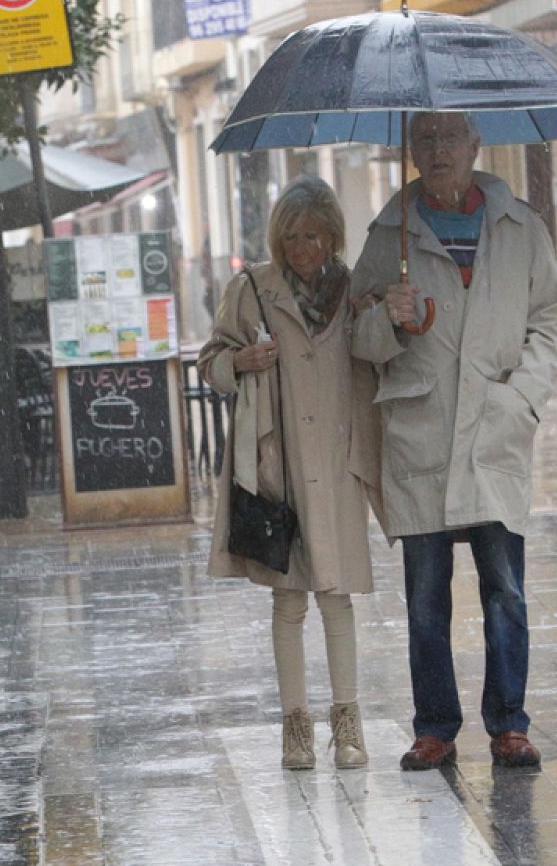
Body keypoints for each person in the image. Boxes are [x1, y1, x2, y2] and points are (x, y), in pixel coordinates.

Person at [351, 112, 557, 771]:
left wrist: (523, 395)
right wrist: (388, 321)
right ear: (410, 149)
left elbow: (552, 319)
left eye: (451, 137)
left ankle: (509, 723)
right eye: (425, 138)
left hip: (495, 426)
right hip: (421, 428)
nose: (438, 149)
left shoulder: (519, 226)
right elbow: (356, 339)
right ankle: (435, 727)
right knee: (425, 594)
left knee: (505, 587)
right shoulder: (388, 234)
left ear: (476, 145)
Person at [200, 175, 383, 770]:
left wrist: (396, 315)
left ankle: (348, 727)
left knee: (337, 597)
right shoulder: (252, 288)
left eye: (312, 235)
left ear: (332, 235)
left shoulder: (354, 290)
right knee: (288, 601)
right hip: (278, 464)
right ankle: (295, 728)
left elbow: (377, 358)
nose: (301, 247)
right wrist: (239, 360)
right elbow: (210, 362)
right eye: (291, 235)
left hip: (335, 463)